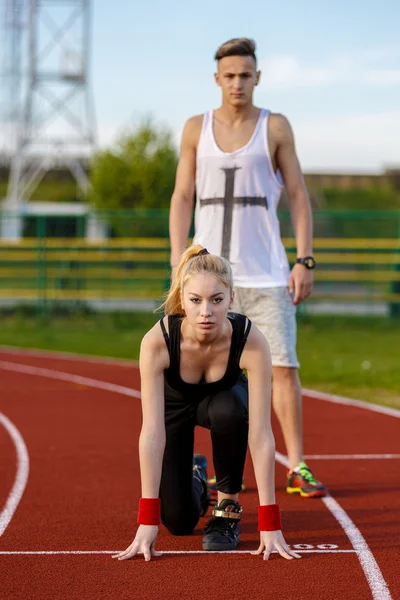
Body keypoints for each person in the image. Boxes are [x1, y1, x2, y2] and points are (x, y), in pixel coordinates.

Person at [169, 38, 327, 499]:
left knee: (282, 367)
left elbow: (298, 194)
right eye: (229, 75)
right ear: (217, 78)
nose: (237, 82)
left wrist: (304, 259)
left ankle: (297, 466)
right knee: (197, 372)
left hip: (267, 274)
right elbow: (182, 196)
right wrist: (180, 257)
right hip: (208, 278)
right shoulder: (195, 128)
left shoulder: (275, 127)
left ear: (257, 77)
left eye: (245, 74)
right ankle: (204, 465)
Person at [112, 246, 301, 561]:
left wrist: (270, 521)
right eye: (196, 300)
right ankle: (197, 477)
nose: (205, 312)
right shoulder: (157, 342)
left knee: (229, 410)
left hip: (224, 402)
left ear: (232, 298)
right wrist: (146, 520)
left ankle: (227, 508)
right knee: (179, 522)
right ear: (182, 300)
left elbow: (261, 434)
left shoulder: (250, 340)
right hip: (175, 410)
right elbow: (152, 433)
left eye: (216, 300)